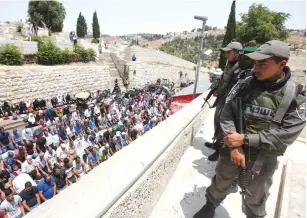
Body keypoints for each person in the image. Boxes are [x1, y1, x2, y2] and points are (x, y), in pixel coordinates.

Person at [193, 40, 306, 218]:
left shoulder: (297, 95)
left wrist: (245, 140)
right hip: (232, 150)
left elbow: (286, 135)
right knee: (220, 182)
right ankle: (210, 205)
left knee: (256, 198)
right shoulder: (245, 83)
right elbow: (226, 113)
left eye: (263, 64)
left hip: (263, 158)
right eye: (255, 63)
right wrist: (235, 146)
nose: (256, 68)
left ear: (281, 64)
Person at [204, 41, 243, 161]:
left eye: (228, 52)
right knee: (216, 122)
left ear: (237, 52)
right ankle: (216, 143)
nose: (225, 55)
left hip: (229, 102)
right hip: (222, 98)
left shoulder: (240, 68)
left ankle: (219, 151)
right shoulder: (229, 64)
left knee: (223, 127)